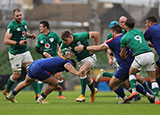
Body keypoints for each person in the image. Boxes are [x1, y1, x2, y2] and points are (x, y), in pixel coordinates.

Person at [74, 25, 154, 104]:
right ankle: (148, 95)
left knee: (113, 84)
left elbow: (100, 47)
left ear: (114, 32)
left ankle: (125, 99)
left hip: (124, 66)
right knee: (126, 82)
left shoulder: (113, 40)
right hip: (134, 63)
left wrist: (84, 48)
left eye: (111, 32)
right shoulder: (126, 37)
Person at [7, 48, 83, 103]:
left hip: (33, 65)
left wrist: (55, 87)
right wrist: (78, 73)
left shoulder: (57, 61)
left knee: (26, 82)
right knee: (55, 83)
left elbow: (51, 75)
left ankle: (11, 95)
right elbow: (68, 67)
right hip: (39, 68)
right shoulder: (67, 62)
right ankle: (41, 99)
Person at [120, 19, 160, 104]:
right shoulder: (139, 31)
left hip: (140, 55)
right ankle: (156, 98)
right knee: (153, 79)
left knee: (131, 73)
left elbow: (123, 54)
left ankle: (134, 91)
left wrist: (123, 57)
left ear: (126, 26)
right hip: (150, 54)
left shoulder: (124, 38)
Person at [3, 8, 37, 97]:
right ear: (13, 16)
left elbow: (23, 33)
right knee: (16, 75)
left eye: (20, 15)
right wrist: (18, 43)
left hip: (25, 51)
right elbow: (6, 41)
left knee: (32, 71)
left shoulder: (23, 23)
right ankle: (6, 90)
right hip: (15, 53)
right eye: (17, 16)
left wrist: (30, 36)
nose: (19, 17)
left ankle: (37, 95)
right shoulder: (11, 26)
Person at [58, 30, 99, 103]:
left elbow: (96, 34)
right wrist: (64, 58)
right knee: (88, 79)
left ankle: (82, 95)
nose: (65, 43)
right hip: (80, 61)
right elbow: (59, 51)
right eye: (64, 41)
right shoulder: (65, 43)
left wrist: (94, 47)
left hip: (90, 57)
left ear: (71, 37)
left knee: (82, 70)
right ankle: (93, 91)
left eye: (66, 41)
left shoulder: (80, 36)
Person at [35, 20, 66, 99]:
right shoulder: (40, 37)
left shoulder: (54, 35)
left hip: (55, 58)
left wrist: (61, 52)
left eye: (41, 27)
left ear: (45, 27)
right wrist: (43, 53)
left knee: (59, 75)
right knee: (41, 77)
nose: (40, 29)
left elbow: (60, 44)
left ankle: (60, 94)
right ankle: (38, 94)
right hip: (45, 61)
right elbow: (37, 49)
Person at [144, 16, 160, 81]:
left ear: (150, 23)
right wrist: (153, 45)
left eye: (146, 23)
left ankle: (154, 90)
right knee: (156, 73)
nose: (146, 25)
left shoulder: (150, 29)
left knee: (154, 75)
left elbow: (142, 40)